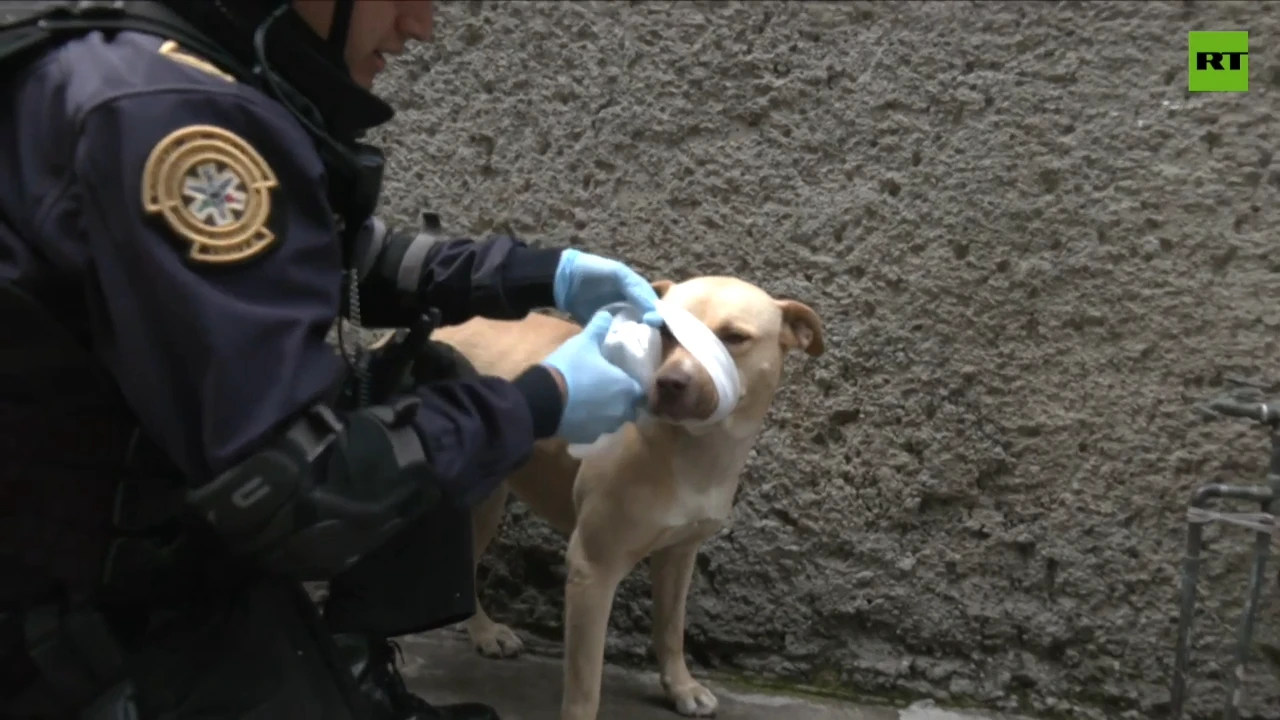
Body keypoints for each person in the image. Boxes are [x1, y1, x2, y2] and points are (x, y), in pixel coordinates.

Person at [0, 1, 664, 719]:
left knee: (424, 385)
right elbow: (297, 489)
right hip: (82, 629)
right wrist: (542, 402)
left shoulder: (146, 58)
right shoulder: (176, 116)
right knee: (409, 425)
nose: (421, 25)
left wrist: (538, 271)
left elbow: (334, 256)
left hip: (123, 560)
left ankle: (346, 662)